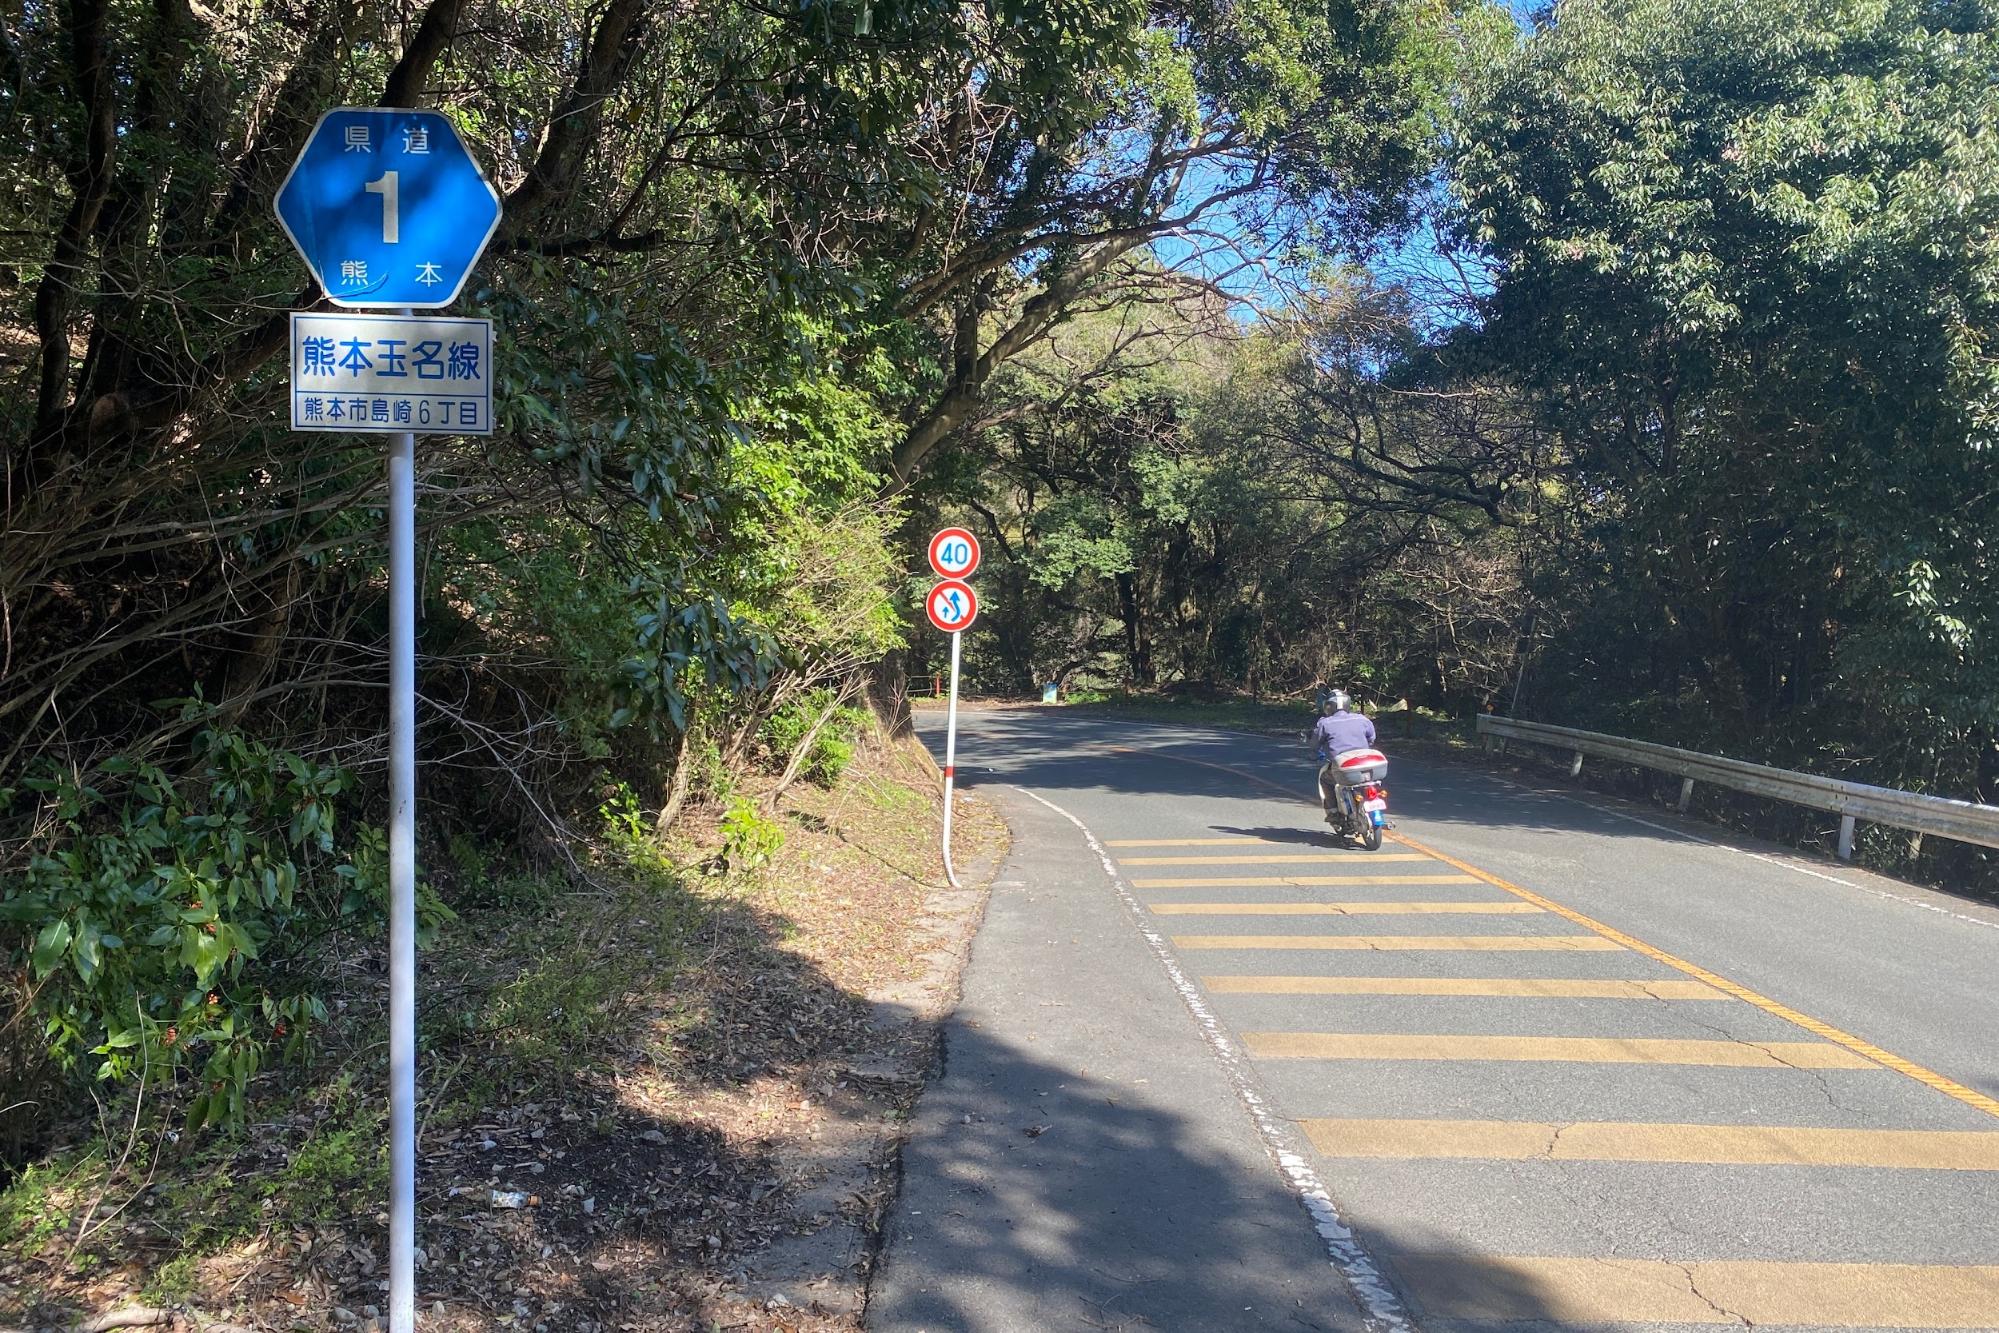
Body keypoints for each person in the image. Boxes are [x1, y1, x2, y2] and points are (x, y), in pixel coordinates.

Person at [1310, 690, 1377, 817]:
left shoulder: (1325, 723)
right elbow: (1371, 738)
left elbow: (1315, 744)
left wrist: (1313, 753)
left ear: (1328, 706)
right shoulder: (1362, 719)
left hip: (1342, 766)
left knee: (1325, 779)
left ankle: (1333, 811)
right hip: (1365, 762)